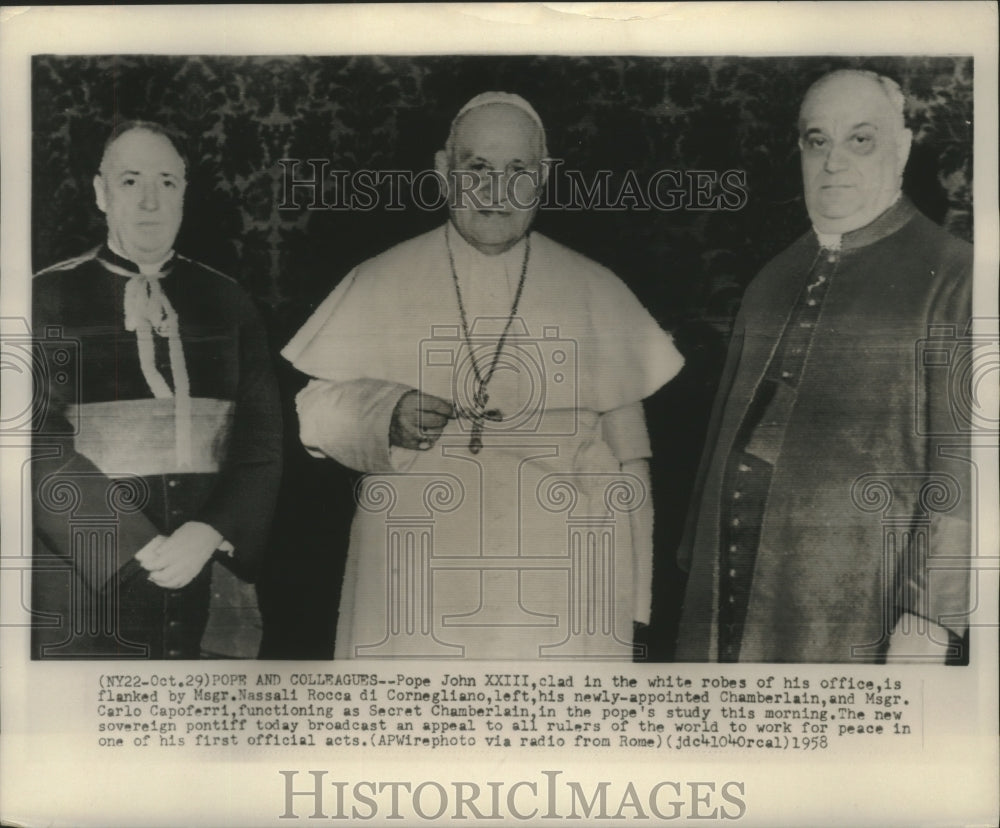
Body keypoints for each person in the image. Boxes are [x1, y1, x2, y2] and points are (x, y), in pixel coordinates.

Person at [283, 92, 683, 659]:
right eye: (478, 169)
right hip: (414, 576)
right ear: (445, 172)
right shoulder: (381, 277)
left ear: (543, 178)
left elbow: (631, 464)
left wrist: (634, 602)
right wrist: (385, 412)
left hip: (562, 583)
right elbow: (313, 410)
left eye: (518, 170)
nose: (497, 191)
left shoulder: (597, 288)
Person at [675, 70, 973, 663]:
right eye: (818, 140)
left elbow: (964, 473)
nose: (834, 161)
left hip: (859, 606)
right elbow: (716, 455)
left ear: (903, 148)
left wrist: (929, 621)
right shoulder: (771, 278)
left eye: (860, 140)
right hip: (732, 589)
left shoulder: (957, 277)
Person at [32, 120, 282, 659]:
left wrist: (211, 530)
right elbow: (32, 446)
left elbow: (260, 446)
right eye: (130, 182)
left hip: (207, 574)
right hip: (85, 585)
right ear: (101, 193)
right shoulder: (42, 299)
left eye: (166, 182)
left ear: (185, 193)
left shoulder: (230, 302)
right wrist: (135, 548)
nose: (150, 202)